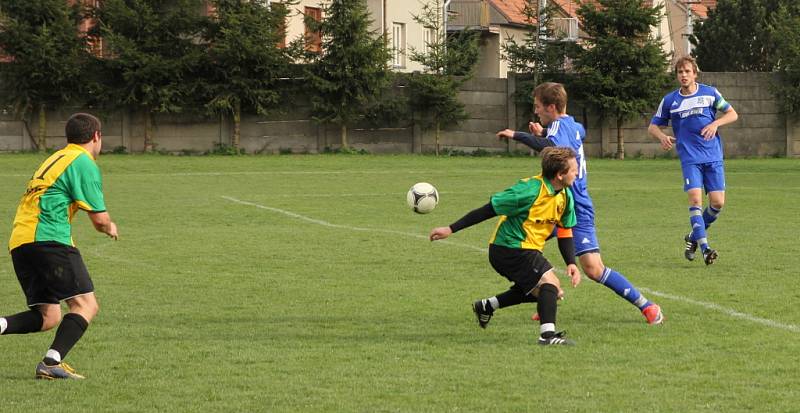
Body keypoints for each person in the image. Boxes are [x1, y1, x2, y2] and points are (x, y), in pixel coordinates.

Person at [496, 82, 664, 325]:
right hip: (555, 204)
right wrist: (544, 132)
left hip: (576, 207)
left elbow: (550, 147)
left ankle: (648, 306)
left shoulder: (559, 126)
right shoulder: (572, 124)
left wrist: (517, 135)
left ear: (551, 107)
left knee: (593, 269)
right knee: (524, 250)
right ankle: (546, 299)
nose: (536, 112)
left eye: (538, 107)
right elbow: (576, 136)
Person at [1, 113, 118, 380]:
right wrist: (110, 226)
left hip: (21, 241)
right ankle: (52, 362)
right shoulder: (82, 161)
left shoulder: (56, 158)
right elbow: (99, 220)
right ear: (96, 136)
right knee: (86, 305)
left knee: (48, 315)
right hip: (48, 238)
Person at [430, 147, 582, 346]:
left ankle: (486, 306)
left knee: (548, 293)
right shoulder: (528, 191)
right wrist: (451, 229)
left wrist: (571, 262)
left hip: (526, 249)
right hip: (509, 248)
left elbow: (565, 231)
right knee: (550, 286)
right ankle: (547, 336)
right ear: (560, 175)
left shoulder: (565, 195)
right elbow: (488, 210)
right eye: (574, 170)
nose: (577, 173)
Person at [648, 56, 738, 265]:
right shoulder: (670, 100)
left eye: (687, 71)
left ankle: (692, 237)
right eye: (680, 72)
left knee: (717, 203)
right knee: (696, 201)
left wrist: (716, 124)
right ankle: (705, 248)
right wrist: (662, 137)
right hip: (690, 159)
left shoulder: (710, 93)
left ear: (695, 73)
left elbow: (732, 114)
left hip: (713, 156)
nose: (684, 75)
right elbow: (653, 126)